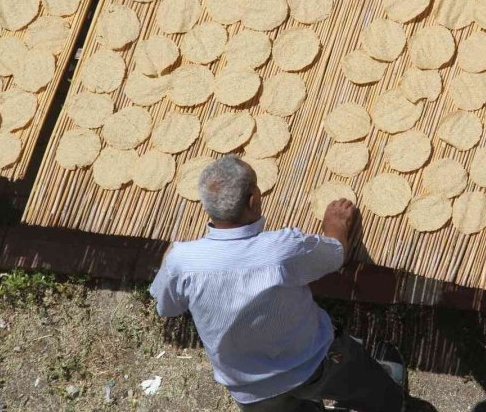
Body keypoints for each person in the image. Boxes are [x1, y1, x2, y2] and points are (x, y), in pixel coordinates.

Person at [149, 155, 405, 411]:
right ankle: (393, 403)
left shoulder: (181, 262)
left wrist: (169, 258)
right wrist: (335, 227)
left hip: (250, 389)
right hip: (314, 362)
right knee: (371, 389)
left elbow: (167, 308)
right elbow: (335, 254)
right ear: (253, 200)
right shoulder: (282, 249)